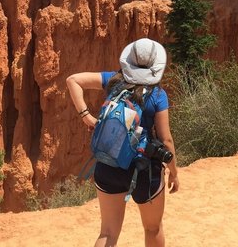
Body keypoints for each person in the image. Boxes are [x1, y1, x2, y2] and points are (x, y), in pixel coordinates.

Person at [66, 38, 179, 247]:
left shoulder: (113, 80)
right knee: (153, 229)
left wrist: (86, 116)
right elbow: (166, 139)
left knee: (108, 232)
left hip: (109, 164)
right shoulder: (158, 95)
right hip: (146, 170)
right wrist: (174, 171)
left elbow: (73, 80)